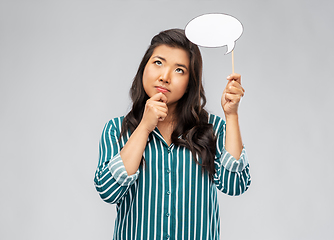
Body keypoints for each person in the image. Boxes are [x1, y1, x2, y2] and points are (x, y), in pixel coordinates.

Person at [94, 28, 251, 240]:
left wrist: (231, 115)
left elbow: (235, 184)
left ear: (189, 83)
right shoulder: (116, 129)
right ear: (144, 69)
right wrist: (144, 128)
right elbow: (108, 191)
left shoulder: (211, 128)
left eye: (179, 70)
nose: (165, 77)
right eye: (158, 62)